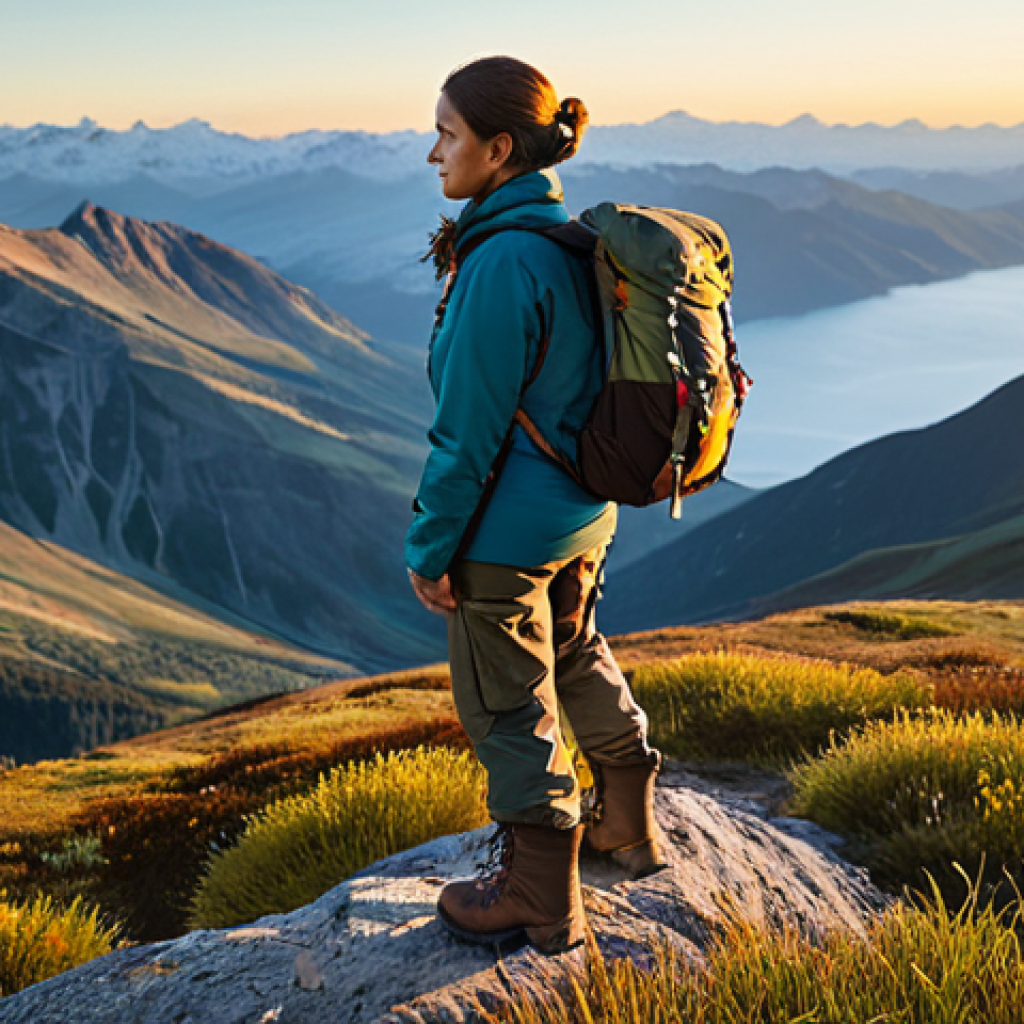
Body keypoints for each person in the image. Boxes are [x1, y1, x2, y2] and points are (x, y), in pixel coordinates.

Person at [405, 56, 665, 956]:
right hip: (584, 513)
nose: (433, 151)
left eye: (447, 134)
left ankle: (538, 896)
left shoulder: (500, 261)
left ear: (499, 147)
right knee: (577, 648)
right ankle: (628, 825)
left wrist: (430, 548)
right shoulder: (571, 241)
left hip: (507, 532)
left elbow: (465, 433)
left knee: (508, 704)